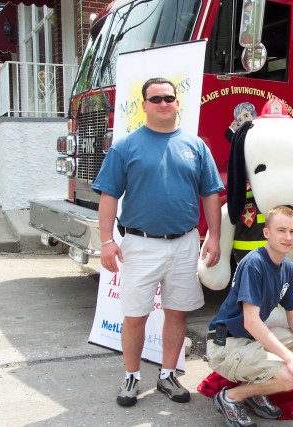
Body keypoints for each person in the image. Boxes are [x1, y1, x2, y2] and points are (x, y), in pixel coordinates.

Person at [93, 77, 224, 407]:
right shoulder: (126, 146)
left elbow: (210, 194)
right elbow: (109, 195)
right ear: (144, 105)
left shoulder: (196, 146)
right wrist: (106, 241)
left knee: (177, 314)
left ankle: (167, 375)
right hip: (140, 244)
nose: (164, 103)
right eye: (156, 99)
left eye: (169, 97)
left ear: (177, 102)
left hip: (184, 243)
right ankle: (132, 377)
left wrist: (215, 237)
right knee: (135, 316)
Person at [206, 205, 293, 427]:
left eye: (292, 231)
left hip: (249, 342)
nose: (288, 237)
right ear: (267, 233)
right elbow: (251, 322)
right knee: (289, 377)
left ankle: (256, 388)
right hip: (225, 344)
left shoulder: (288, 268)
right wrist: (290, 359)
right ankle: (231, 397)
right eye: (281, 230)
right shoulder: (254, 264)